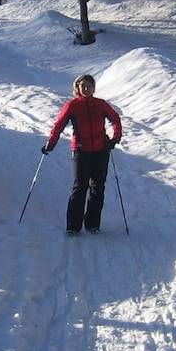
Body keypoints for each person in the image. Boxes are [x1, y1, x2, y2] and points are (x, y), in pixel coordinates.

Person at [42, 74, 122, 235]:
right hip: (80, 151)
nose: (86, 88)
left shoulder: (101, 104)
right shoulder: (72, 105)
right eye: (82, 86)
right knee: (80, 187)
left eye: (89, 86)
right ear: (77, 88)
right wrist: (50, 144)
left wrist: (115, 139)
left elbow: (115, 119)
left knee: (98, 188)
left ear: (93, 88)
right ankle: (73, 226)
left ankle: (93, 224)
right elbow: (58, 126)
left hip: (101, 151)